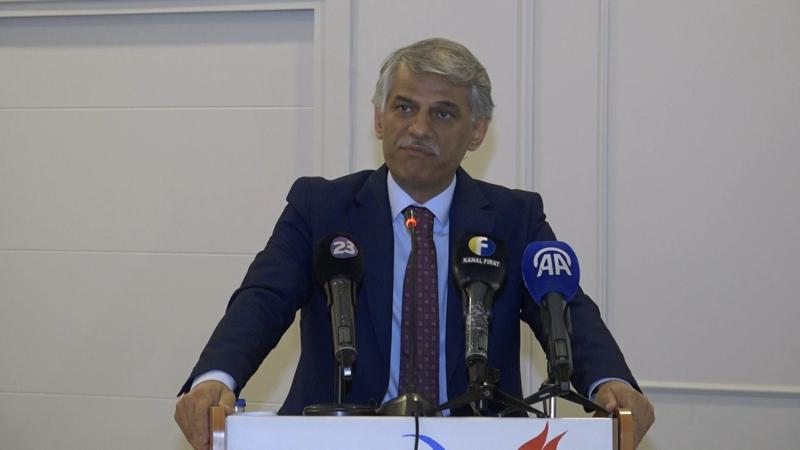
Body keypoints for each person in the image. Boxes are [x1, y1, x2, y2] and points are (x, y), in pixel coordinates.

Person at [175, 37, 654, 449]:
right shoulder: (320, 207)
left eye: (443, 113)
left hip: (475, 438)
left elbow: (564, 309)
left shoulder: (514, 219)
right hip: (338, 437)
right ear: (379, 119)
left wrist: (610, 381)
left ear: (477, 132)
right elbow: (263, 299)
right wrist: (216, 378)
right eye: (404, 107)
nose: (419, 128)